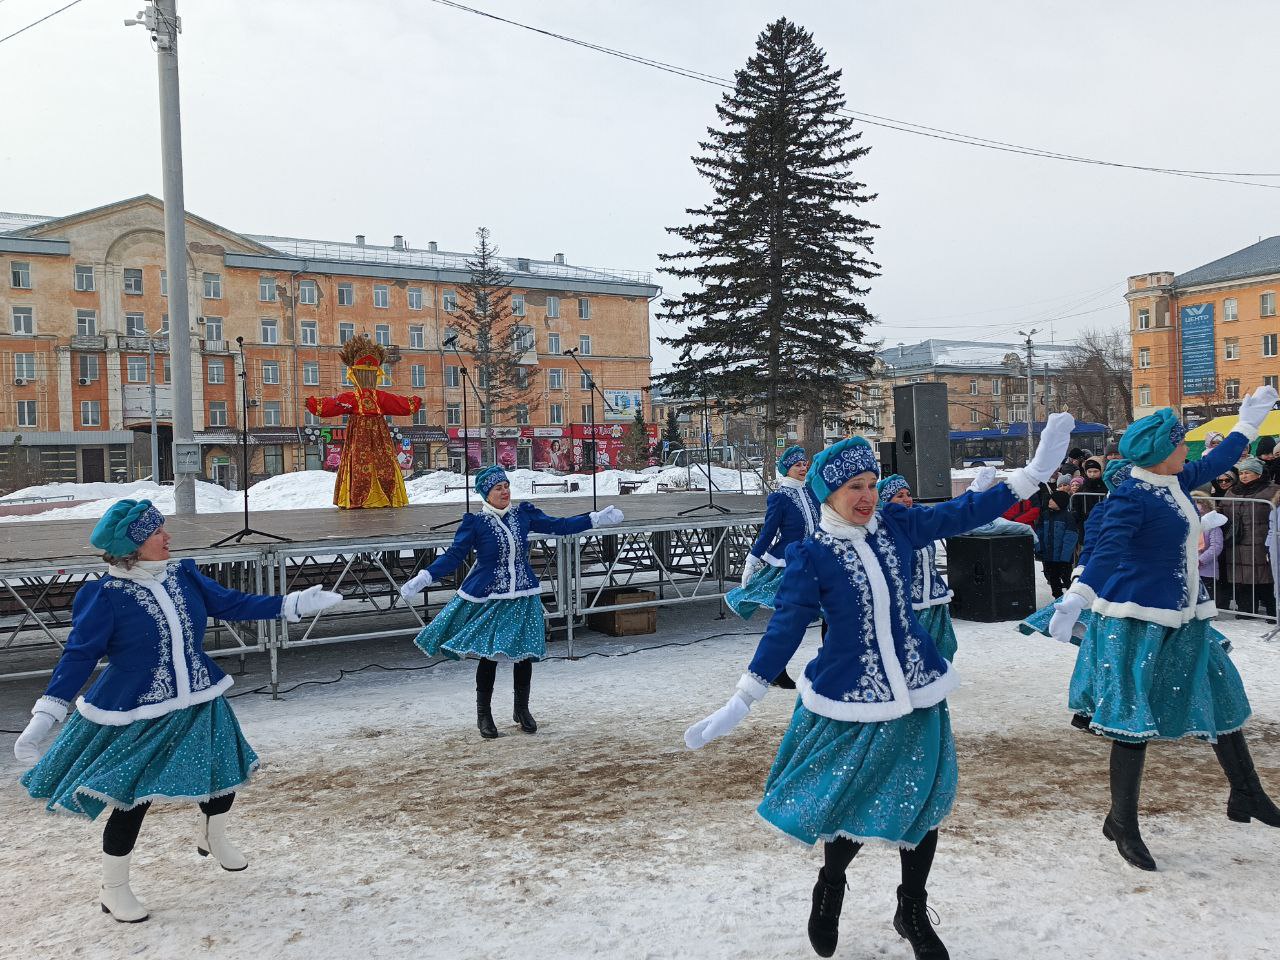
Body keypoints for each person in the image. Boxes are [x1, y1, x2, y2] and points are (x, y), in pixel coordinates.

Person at [684, 417, 1075, 959]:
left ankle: (911, 907)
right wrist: (742, 698)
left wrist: (1031, 474)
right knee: (852, 799)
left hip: (917, 689)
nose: (867, 497)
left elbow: (962, 512)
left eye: (872, 484)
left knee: (924, 801)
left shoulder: (895, 525)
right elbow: (786, 626)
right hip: (851, 697)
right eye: (854, 488)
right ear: (830, 494)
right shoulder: (812, 554)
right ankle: (831, 886)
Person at [13, 499, 341, 922]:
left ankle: (212, 833)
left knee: (223, 770)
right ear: (132, 546)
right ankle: (113, 889)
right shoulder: (104, 596)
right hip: (139, 710)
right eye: (156, 533)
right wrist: (46, 716)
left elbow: (234, 604)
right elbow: (79, 656)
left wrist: (291, 604)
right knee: (133, 800)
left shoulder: (183, 575)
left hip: (199, 695)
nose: (167, 538)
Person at [1051, 387, 1280, 871]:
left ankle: (1247, 794)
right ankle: (1123, 824)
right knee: (1132, 723)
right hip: (1138, 621)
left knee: (1221, 700)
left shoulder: (1175, 481)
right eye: (1179, 445)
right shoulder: (1130, 497)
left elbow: (1219, 458)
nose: (1187, 451)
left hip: (1187, 615)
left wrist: (1248, 423)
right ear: (1158, 454)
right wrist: (1078, 596)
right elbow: (1107, 551)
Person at [401, 466, 624, 738]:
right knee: (490, 656)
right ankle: (484, 715)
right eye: (498, 488)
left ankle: (522, 709)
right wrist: (424, 577)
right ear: (486, 493)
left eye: (506, 486)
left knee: (524, 653)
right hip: (490, 596)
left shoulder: (523, 515)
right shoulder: (476, 524)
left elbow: (559, 526)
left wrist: (594, 519)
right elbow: (454, 556)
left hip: (523, 594)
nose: (505, 491)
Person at [876, 468, 998, 662]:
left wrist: (973, 492)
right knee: (914, 658)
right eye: (899, 496)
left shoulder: (921, 519)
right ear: (885, 502)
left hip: (935, 602)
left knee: (943, 652)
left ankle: (938, 690)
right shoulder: (881, 530)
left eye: (908, 494)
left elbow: (950, 514)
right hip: (906, 608)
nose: (907, 499)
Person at [725, 445, 820, 688]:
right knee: (789, 618)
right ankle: (775, 668)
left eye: (804, 464)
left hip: (817, 560)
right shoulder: (780, 498)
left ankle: (831, 663)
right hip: (790, 563)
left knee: (831, 610)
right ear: (786, 469)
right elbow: (768, 532)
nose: (802, 468)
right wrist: (751, 561)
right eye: (797, 465)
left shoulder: (811, 493)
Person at [305, 335, 423, 508]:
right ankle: (385, 497)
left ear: (354, 373)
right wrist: (415, 401)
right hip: (380, 435)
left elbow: (331, 405)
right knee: (384, 464)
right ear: (376, 374)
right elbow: (402, 405)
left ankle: (359, 498)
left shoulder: (352, 397)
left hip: (359, 436)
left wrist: (313, 403)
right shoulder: (380, 397)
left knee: (359, 465)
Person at [1221, 456, 1280, 619]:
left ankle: (1272, 611)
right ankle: (1247, 610)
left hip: (1261, 540)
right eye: (1241, 473)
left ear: (1259, 474)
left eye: (1248, 472)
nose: (1244, 476)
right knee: (1241, 578)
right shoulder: (1232, 490)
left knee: (1266, 576)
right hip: (1237, 541)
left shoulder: (1272, 490)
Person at [1035, 481, 1079, 600]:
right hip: (1049, 555)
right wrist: (1039, 548)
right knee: (1052, 578)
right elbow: (1039, 532)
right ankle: (1057, 598)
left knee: (1066, 578)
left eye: (1052, 500)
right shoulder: (1045, 515)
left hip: (1062, 557)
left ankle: (1072, 599)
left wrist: (1065, 557)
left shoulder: (1067, 517)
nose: (1049, 501)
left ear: (1060, 503)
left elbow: (1070, 537)